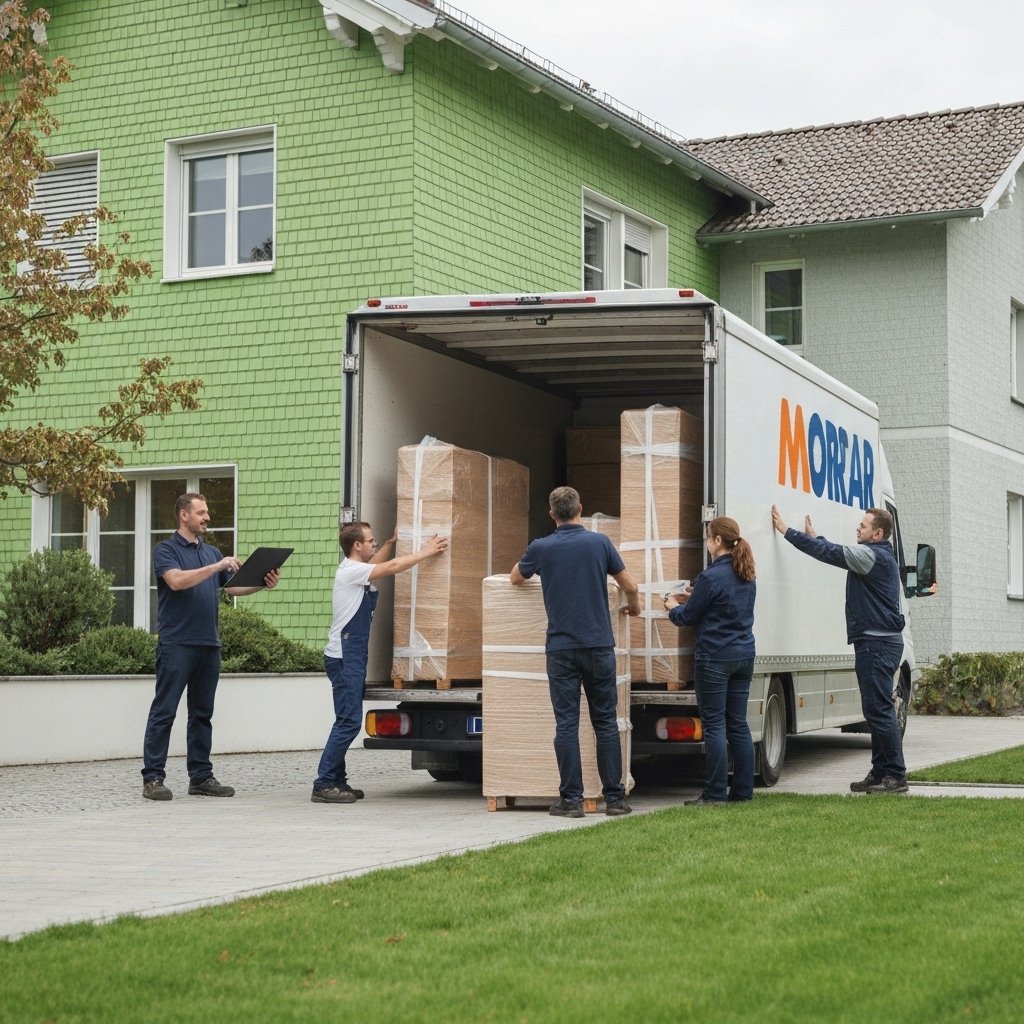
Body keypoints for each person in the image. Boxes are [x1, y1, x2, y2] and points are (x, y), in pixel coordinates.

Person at [510, 486, 641, 818]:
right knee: (605, 722)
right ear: (580, 508)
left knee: (566, 724)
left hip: (562, 649)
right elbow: (630, 585)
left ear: (552, 514)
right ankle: (615, 799)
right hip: (599, 645)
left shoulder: (541, 547)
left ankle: (571, 801)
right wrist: (634, 608)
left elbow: (514, 578)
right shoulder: (600, 543)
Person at [142, 493, 280, 801]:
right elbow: (176, 581)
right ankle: (153, 778)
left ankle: (201, 777)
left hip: (209, 643)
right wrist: (217, 566)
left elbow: (233, 588)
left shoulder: (211, 552)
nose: (207, 517)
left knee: (202, 713)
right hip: (177, 643)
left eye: (207, 512)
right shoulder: (166, 550)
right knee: (164, 711)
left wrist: (262, 583)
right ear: (183, 516)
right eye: (201, 512)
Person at [771, 504, 908, 794]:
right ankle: (881, 771)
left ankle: (895, 775)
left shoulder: (873, 555)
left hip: (877, 644)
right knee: (874, 711)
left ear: (878, 533)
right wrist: (817, 538)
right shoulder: (877, 555)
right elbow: (835, 550)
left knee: (880, 711)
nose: (858, 528)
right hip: (877, 643)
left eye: (864, 525)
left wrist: (788, 532)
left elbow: (832, 554)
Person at [312, 522, 449, 804]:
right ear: (356, 545)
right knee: (348, 723)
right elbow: (393, 567)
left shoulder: (357, 570)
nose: (373, 544)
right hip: (344, 658)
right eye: (370, 541)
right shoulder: (351, 571)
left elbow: (376, 562)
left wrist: (390, 541)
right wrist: (425, 551)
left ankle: (337, 780)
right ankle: (324, 783)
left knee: (345, 720)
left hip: (349, 657)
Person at [664, 516, 757, 806]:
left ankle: (715, 794)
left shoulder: (710, 577)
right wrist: (696, 595)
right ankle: (742, 792)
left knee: (715, 725)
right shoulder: (746, 572)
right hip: (743, 656)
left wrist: (671, 605)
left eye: (707, 538)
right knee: (738, 724)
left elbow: (688, 617)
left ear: (717, 541)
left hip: (715, 658)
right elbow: (721, 602)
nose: (706, 543)